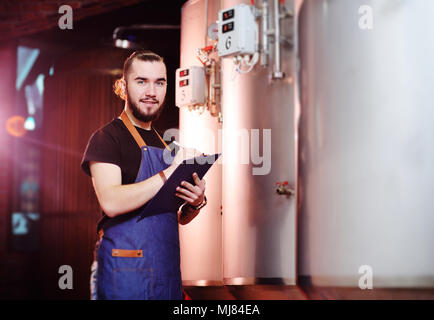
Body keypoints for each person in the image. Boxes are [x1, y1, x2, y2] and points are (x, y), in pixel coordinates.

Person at [81, 51, 207, 300]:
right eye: (142, 82)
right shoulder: (106, 139)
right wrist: (168, 173)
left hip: (165, 272)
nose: (152, 91)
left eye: (159, 82)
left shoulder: (167, 145)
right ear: (123, 86)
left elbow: (175, 217)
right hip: (125, 272)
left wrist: (196, 203)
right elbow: (112, 202)